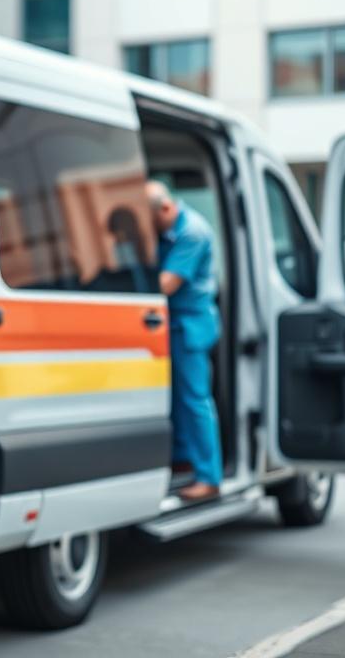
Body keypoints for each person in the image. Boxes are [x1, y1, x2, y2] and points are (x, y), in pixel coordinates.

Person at [145, 180, 222, 502]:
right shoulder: (167, 228)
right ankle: (182, 460)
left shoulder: (193, 232)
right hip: (169, 324)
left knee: (194, 401)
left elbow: (166, 283)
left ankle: (209, 477)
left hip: (189, 325)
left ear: (165, 208)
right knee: (175, 400)